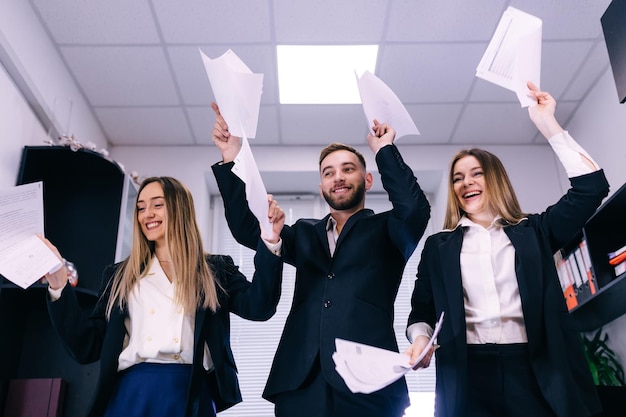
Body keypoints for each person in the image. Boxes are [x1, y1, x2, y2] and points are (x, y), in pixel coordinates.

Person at [210, 102, 431, 417]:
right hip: (301, 381)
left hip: (369, 381)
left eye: (347, 169)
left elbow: (414, 209)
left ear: (368, 180)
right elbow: (250, 229)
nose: (338, 177)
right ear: (321, 186)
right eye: (329, 173)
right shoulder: (304, 234)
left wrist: (384, 149)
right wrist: (232, 154)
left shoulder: (390, 230)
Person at [404, 82, 609, 417]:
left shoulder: (535, 231)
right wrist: (420, 341)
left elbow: (592, 188)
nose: (465, 182)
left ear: (495, 179)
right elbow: (422, 312)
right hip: (467, 373)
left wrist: (548, 124)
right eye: (457, 178)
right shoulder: (437, 247)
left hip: (533, 367)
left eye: (476, 174)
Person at [41, 176, 286, 417]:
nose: (147, 214)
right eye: (141, 208)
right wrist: (59, 284)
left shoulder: (215, 270)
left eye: (157, 205)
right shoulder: (119, 275)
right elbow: (87, 345)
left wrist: (270, 241)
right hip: (132, 393)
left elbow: (260, 306)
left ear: (180, 209)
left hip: (192, 392)